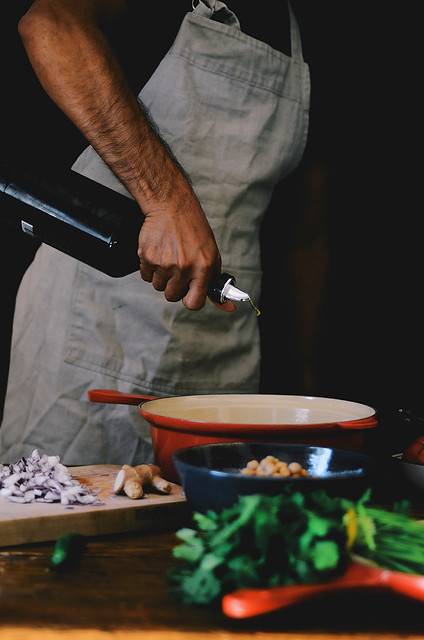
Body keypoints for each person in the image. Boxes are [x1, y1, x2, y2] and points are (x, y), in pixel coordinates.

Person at [0, 0, 310, 465]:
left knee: (206, 529)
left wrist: (307, 403)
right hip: (98, 336)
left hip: (223, 357)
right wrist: (166, 199)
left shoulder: (305, 37)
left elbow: (309, 234)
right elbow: (49, 24)